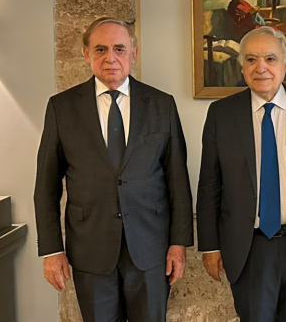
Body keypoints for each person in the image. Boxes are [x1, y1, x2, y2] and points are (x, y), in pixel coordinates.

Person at [34, 17, 193, 322]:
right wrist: (52, 250)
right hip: (90, 249)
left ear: (134, 53)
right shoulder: (61, 107)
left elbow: (178, 180)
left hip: (150, 248)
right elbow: (46, 186)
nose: (111, 58)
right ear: (86, 54)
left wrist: (179, 243)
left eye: (119, 49)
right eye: (100, 49)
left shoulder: (162, 104)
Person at [197, 26, 286, 322]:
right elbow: (210, 184)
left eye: (270, 59)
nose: (260, 67)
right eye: (251, 59)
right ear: (242, 67)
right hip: (249, 248)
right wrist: (210, 245)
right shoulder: (221, 114)